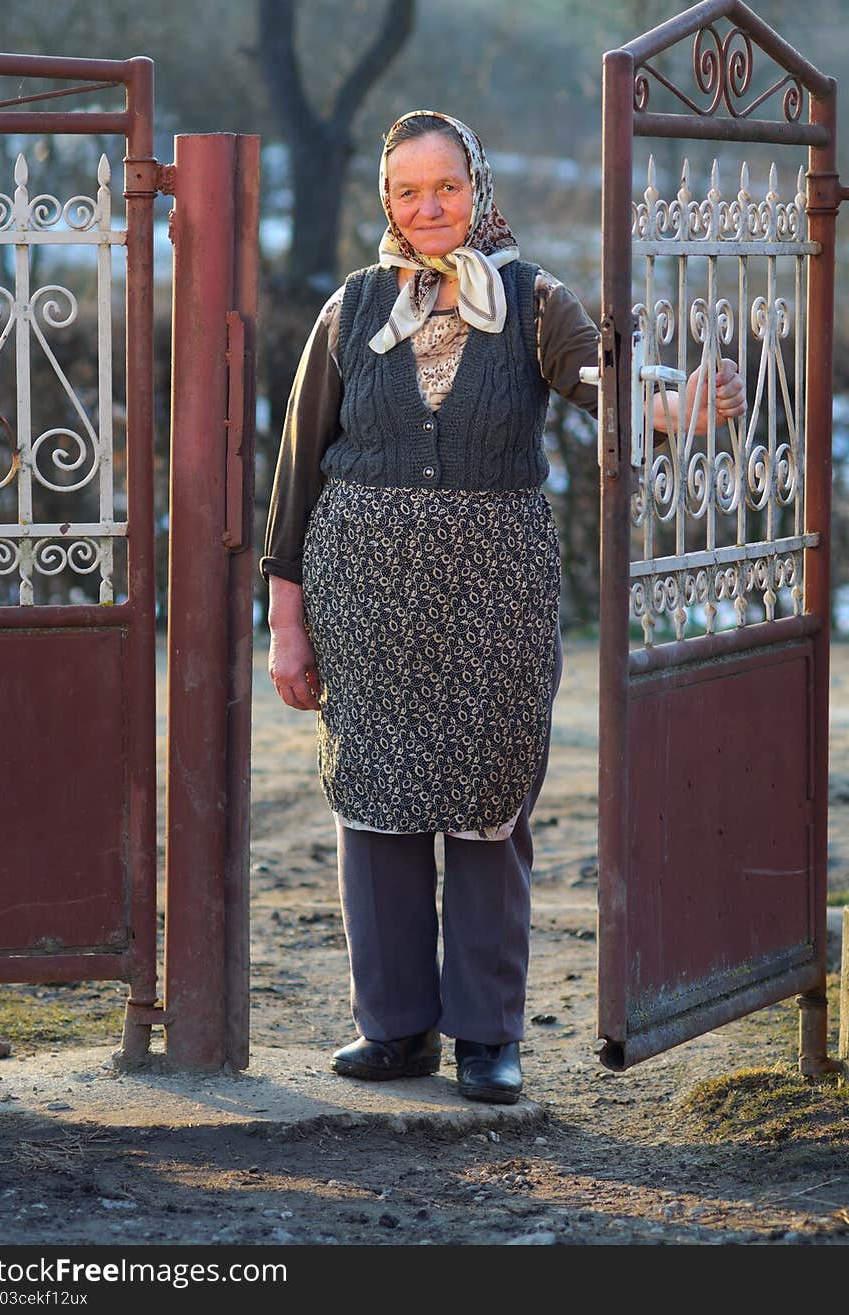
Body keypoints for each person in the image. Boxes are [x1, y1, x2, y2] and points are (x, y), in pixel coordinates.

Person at [261, 110, 745, 1105]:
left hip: (496, 592)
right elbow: (296, 469)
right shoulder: (349, 308)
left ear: (478, 189)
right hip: (364, 594)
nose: (428, 207)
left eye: (445, 186)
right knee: (379, 803)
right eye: (407, 191)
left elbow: (594, 378)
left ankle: (486, 1036)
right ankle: (394, 1032)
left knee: (489, 809)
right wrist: (287, 620)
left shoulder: (532, 301)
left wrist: (671, 406)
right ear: (385, 201)